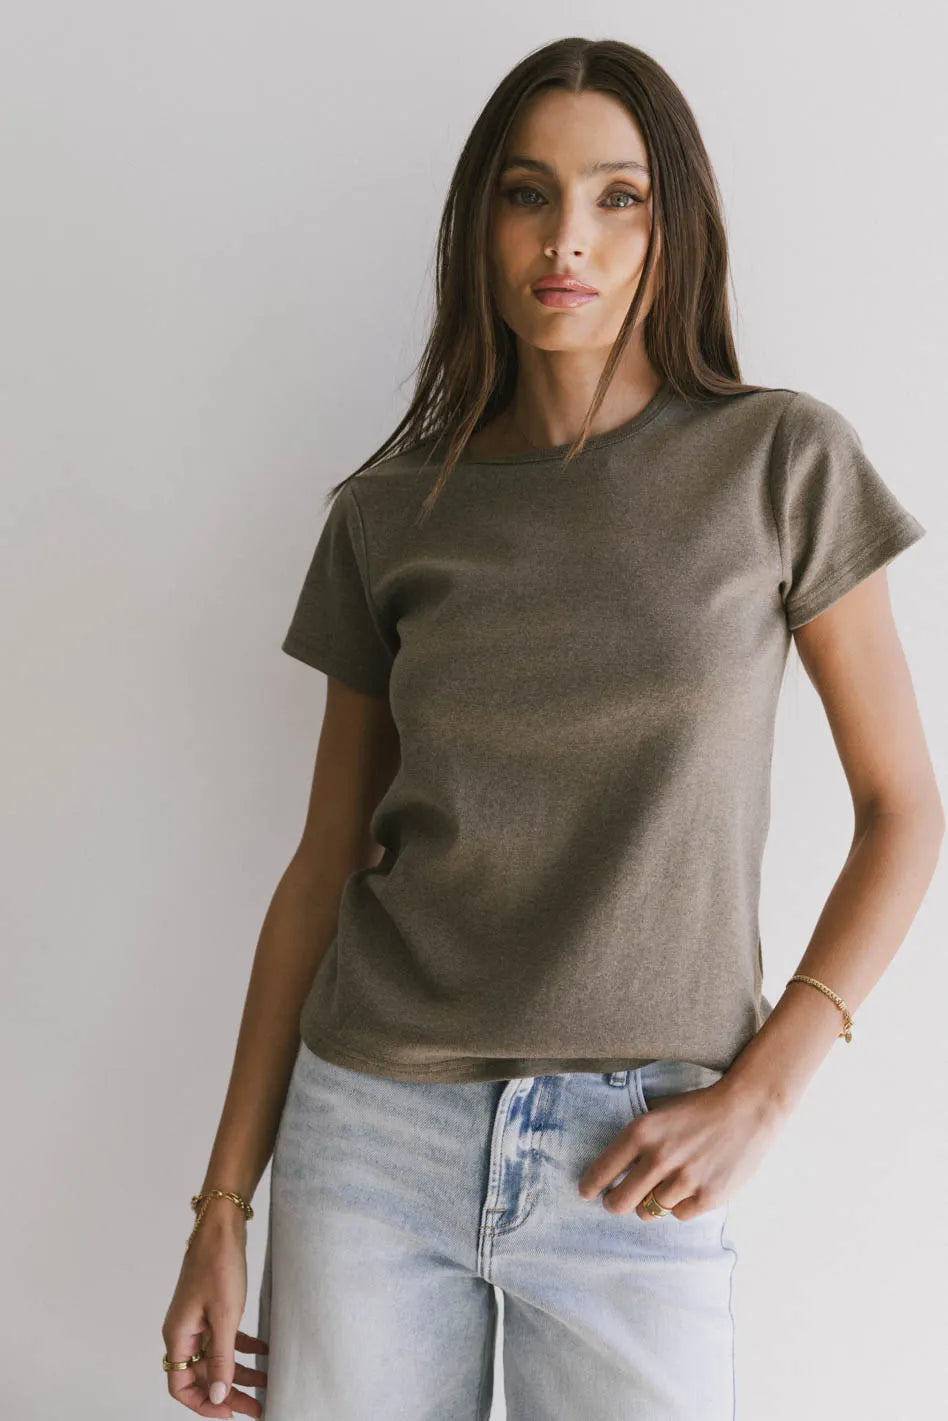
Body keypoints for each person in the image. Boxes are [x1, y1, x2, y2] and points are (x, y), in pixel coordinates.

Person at [161, 36, 943, 1421]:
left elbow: (904, 810)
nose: (565, 238)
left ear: (672, 225)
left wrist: (768, 1087)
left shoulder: (781, 462)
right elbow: (325, 864)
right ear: (483, 223)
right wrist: (224, 1203)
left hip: (641, 1148)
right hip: (370, 1133)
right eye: (529, 195)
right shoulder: (388, 514)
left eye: (616, 197)